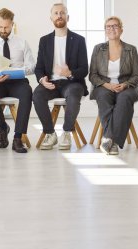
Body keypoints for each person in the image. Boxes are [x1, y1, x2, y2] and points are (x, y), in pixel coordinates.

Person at [33, 3, 88, 150]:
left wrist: (69, 73)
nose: (59, 15)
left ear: (67, 17)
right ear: (51, 18)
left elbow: (84, 69)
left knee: (74, 93)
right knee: (37, 95)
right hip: (51, 83)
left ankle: (67, 132)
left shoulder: (79, 40)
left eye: (62, 13)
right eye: (56, 13)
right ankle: (50, 133)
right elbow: (38, 68)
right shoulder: (44, 41)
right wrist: (42, 80)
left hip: (72, 82)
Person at [0, 8, 35, 153]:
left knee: (27, 93)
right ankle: (3, 127)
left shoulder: (22, 43)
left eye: (6, 27)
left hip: (17, 81)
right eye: (0, 27)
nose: (3, 30)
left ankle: (18, 138)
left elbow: (32, 66)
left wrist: (21, 70)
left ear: (12, 24)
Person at [89, 16, 138, 155]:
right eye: (109, 26)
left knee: (124, 99)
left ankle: (108, 138)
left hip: (127, 88)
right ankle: (113, 144)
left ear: (121, 29)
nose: (112, 29)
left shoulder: (131, 49)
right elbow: (92, 75)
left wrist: (124, 85)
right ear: (105, 30)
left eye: (115, 26)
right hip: (104, 87)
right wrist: (107, 85)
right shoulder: (98, 49)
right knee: (104, 97)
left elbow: (137, 75)